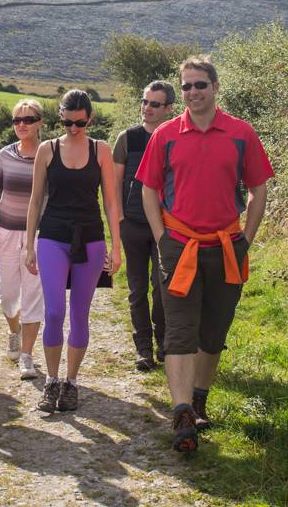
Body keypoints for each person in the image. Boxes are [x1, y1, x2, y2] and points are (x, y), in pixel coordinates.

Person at [138, 57, 273, 452]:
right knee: (179, 332)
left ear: (215, 87)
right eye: (186, 86)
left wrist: (247, 236)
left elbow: (258, 188)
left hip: (227, 247)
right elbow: (148, 188)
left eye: (200, 84)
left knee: (212, 332)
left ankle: (199, 399)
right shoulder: (165, 134)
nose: (193, 92)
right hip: (179, 246)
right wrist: (162, 237)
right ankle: (181, 415)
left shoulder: (241, 133)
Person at [25, 89, 121, 414]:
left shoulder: (101, 150)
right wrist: (28, 245)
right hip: (52, 235)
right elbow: (36, 200)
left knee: (80, 313)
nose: (74, 129)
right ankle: (50, 382)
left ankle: (71, 383)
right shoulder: (46, 149)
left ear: (90, 119)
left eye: (80, 123)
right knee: (54, 312)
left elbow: (110, 201)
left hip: (91, 238)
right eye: (67, 122)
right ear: (60, 117)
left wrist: (116, 246)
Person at [112, 81, 174, 372]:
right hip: (133, 225)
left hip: (166, 226)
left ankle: (163, 341)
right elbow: (114, 183)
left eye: (154, 104)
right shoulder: (128, 138)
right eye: (144, 101)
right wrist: (119, 221)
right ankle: (144, 349)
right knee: (137, 289)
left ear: (168, 109)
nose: (146, 108)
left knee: (163, 288)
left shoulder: (176, 137)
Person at [0, 99, 46, 379]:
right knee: (7, 296)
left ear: (40, 122)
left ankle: (27, 357)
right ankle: (14, 330)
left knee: (32, 297)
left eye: (28, 119)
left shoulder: (50, 153)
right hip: (5, 232)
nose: (22, 125)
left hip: (37, 236)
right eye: (16, 120)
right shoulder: (4, 155)